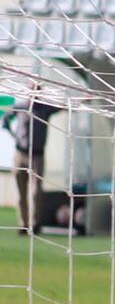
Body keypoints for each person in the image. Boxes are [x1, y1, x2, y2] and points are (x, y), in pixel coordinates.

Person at [5, 92, 60, 235]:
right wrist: (13, 135)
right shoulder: (20, 107)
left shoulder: (45, 109)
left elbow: (64, 106)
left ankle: (35, 225)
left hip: (37, 155)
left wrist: (84, 99)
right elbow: (5, 119)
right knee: (20, 192)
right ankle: (23, 224)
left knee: (36, 192)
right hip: (20, 154)